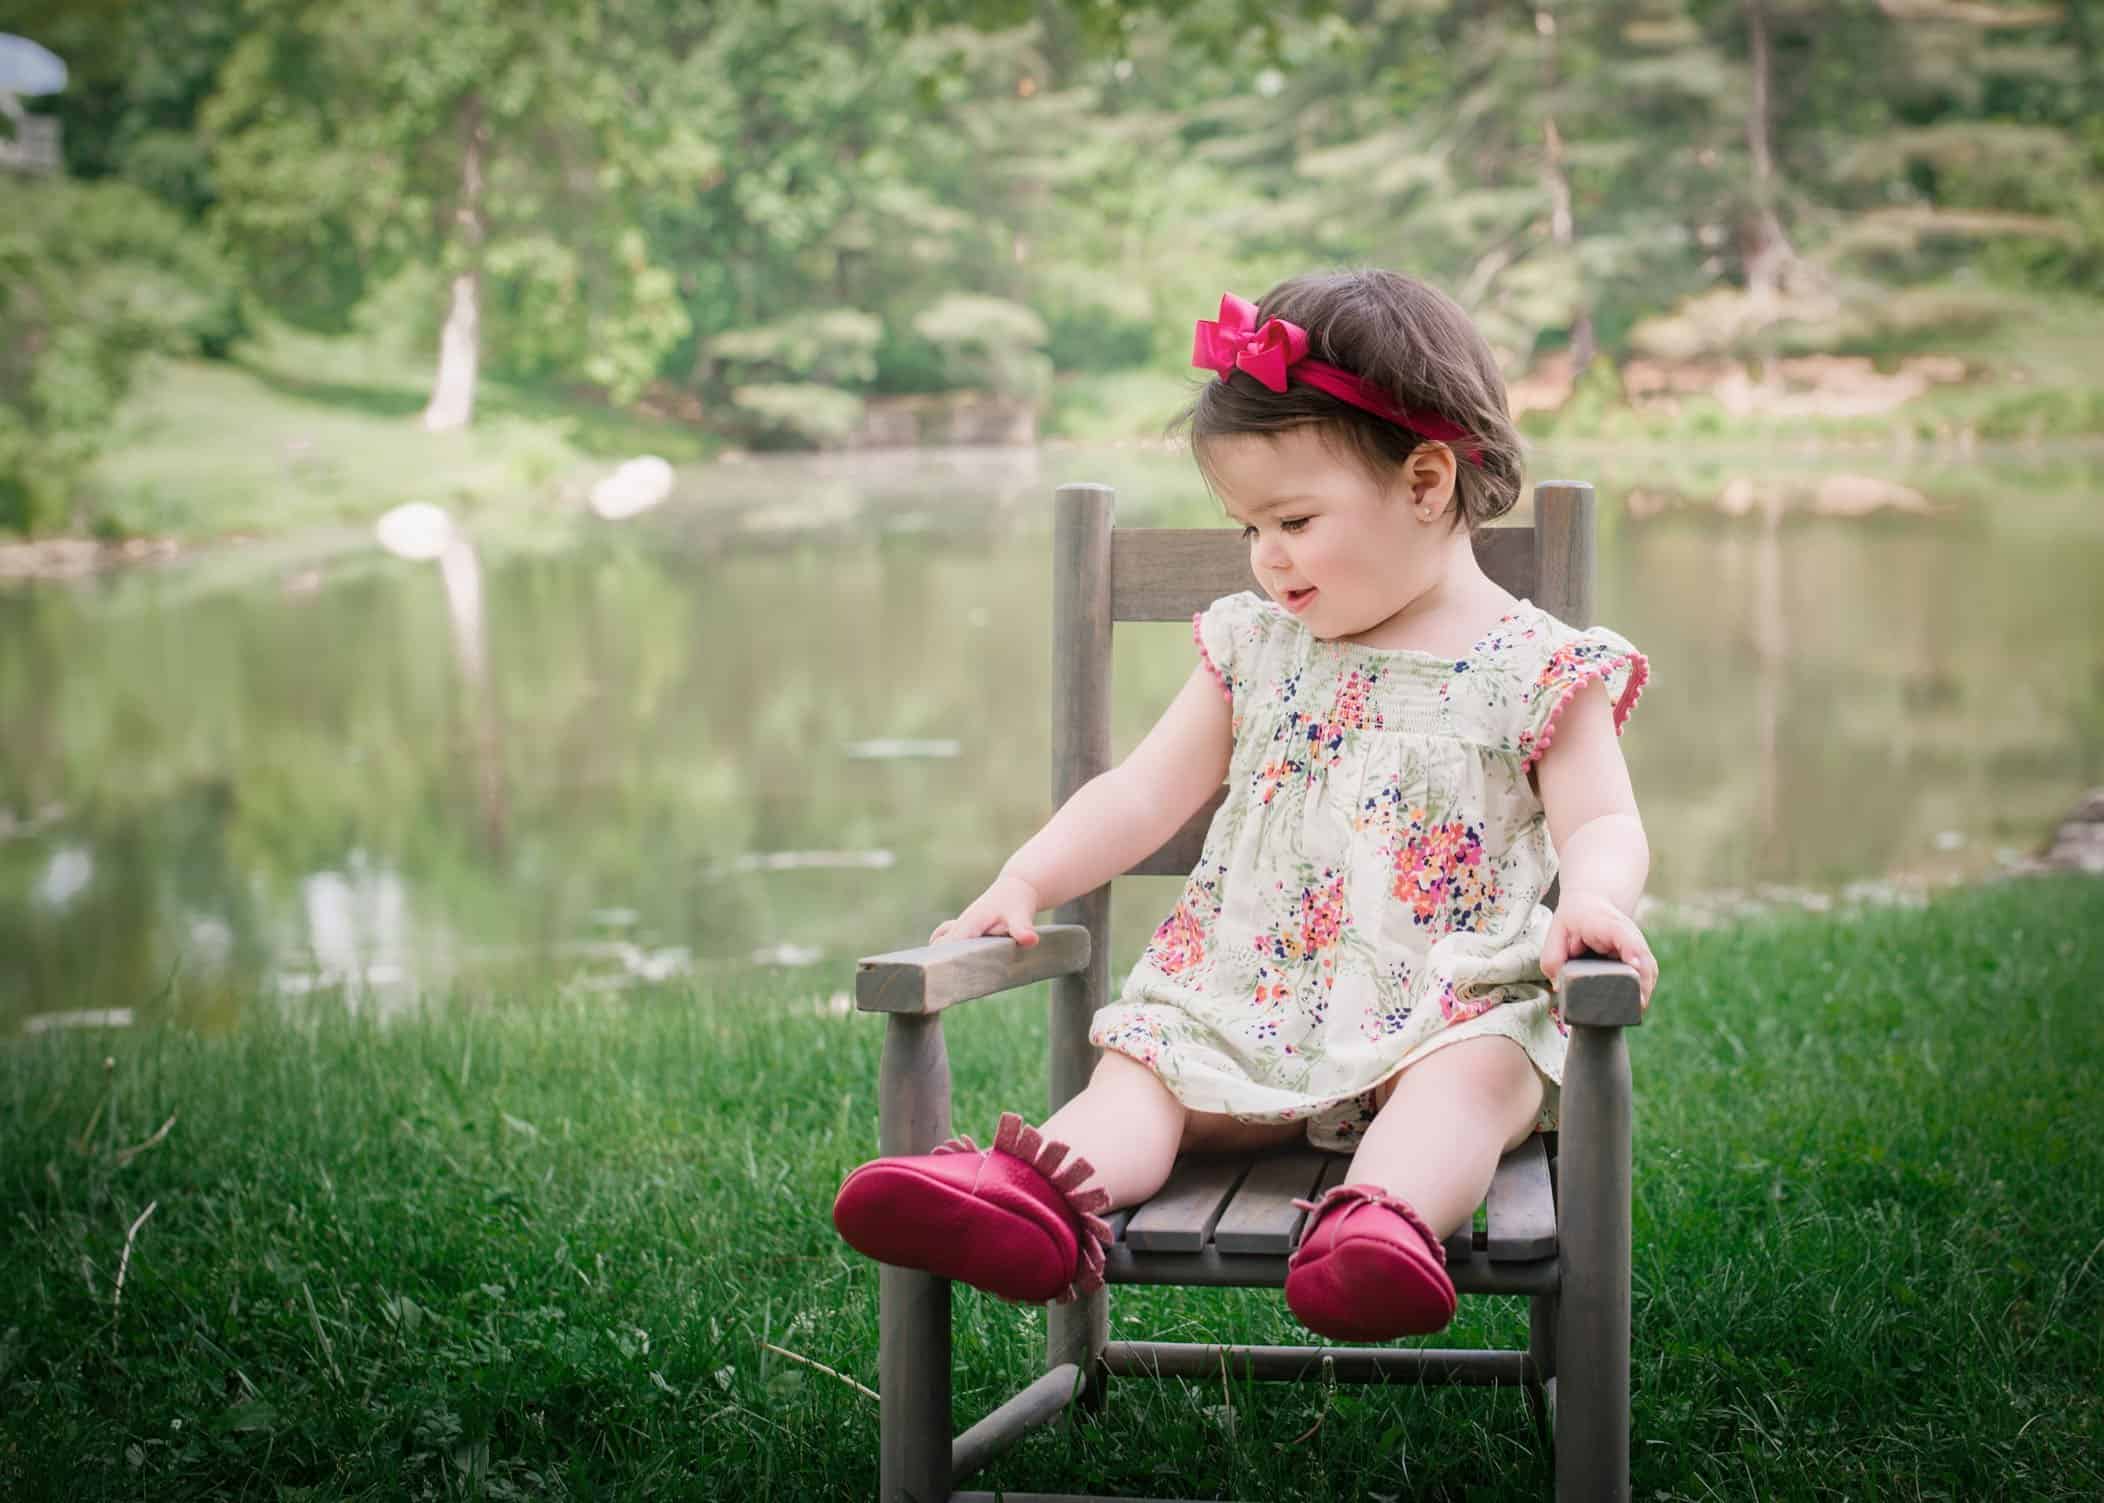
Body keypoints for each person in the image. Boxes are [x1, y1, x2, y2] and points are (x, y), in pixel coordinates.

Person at [832, 269, 1656, 1341]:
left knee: (1475, 1079)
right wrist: (1027, 876)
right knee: (1145, 1073)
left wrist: (1593, 901)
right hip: (1246, 1003)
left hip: (1449, 1008)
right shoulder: (1258, 647)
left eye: (1294, 519)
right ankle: (1033, 1201)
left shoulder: (1537, 666)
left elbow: (1603, 821)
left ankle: (1377, 1225)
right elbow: (1140, 792)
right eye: (1247, 528)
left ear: (1424, 480)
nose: (1268, 557)